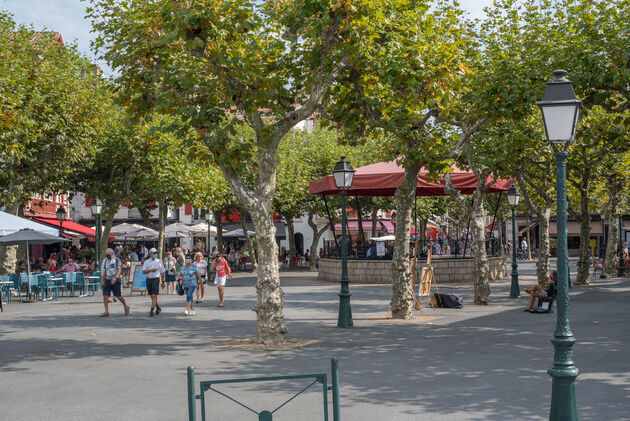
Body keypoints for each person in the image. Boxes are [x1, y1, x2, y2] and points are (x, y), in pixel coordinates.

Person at [100, 248, 129, 317]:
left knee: (118, 296)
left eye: (108, 255)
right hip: (108, 279)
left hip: (115, 279)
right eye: (106, 255)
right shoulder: (106, 261)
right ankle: (106, 311)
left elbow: (119, 269)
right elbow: (105, 271)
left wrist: (115, 277)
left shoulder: (116, 260)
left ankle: (125, 306)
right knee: (105, 295)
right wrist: (103, 281)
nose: (107, 256)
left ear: (112, 253)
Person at [142, 247, 165, 317]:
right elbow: (143, 271)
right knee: (152, 295)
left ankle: (152, 309)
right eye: (154, 253)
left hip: (156, 279)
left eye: (156, 253)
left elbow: (162, 272)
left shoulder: (159, 262)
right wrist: (150, 270)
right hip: (149, 279)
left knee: (154, 295)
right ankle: (157, 307)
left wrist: (163, 282)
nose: (155, 254)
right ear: (150, 254)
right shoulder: (146, 262)